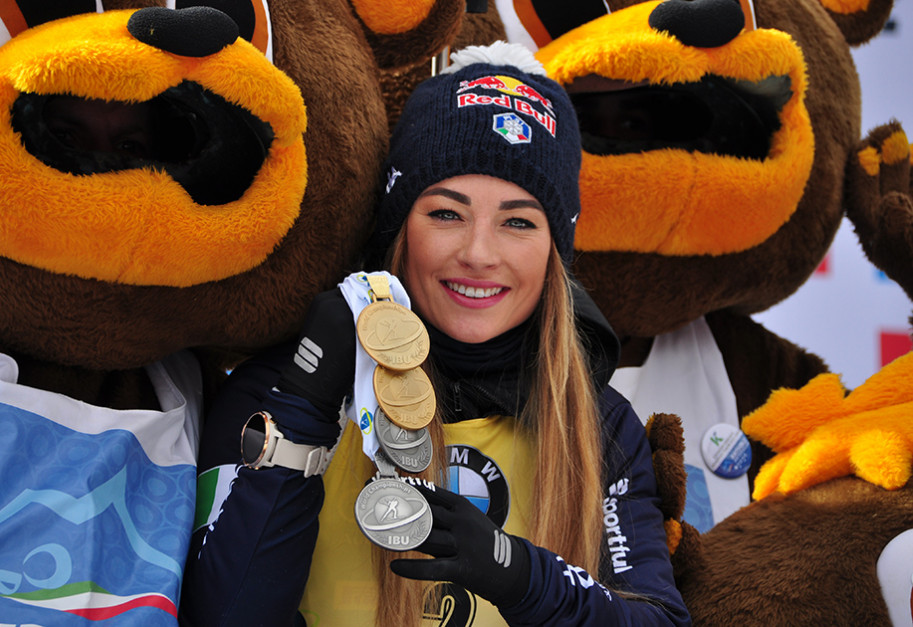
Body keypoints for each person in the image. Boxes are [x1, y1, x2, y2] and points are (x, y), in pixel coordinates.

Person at [179, 41, 690, 627]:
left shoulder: (597, 422)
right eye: (447, 213)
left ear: (555, 252)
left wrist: (521, 574)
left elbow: (659, 620)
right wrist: (303, 407)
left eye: (518, 222)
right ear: (400, 229)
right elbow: (225, 616)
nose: (478, 253)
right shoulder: (280, 388)